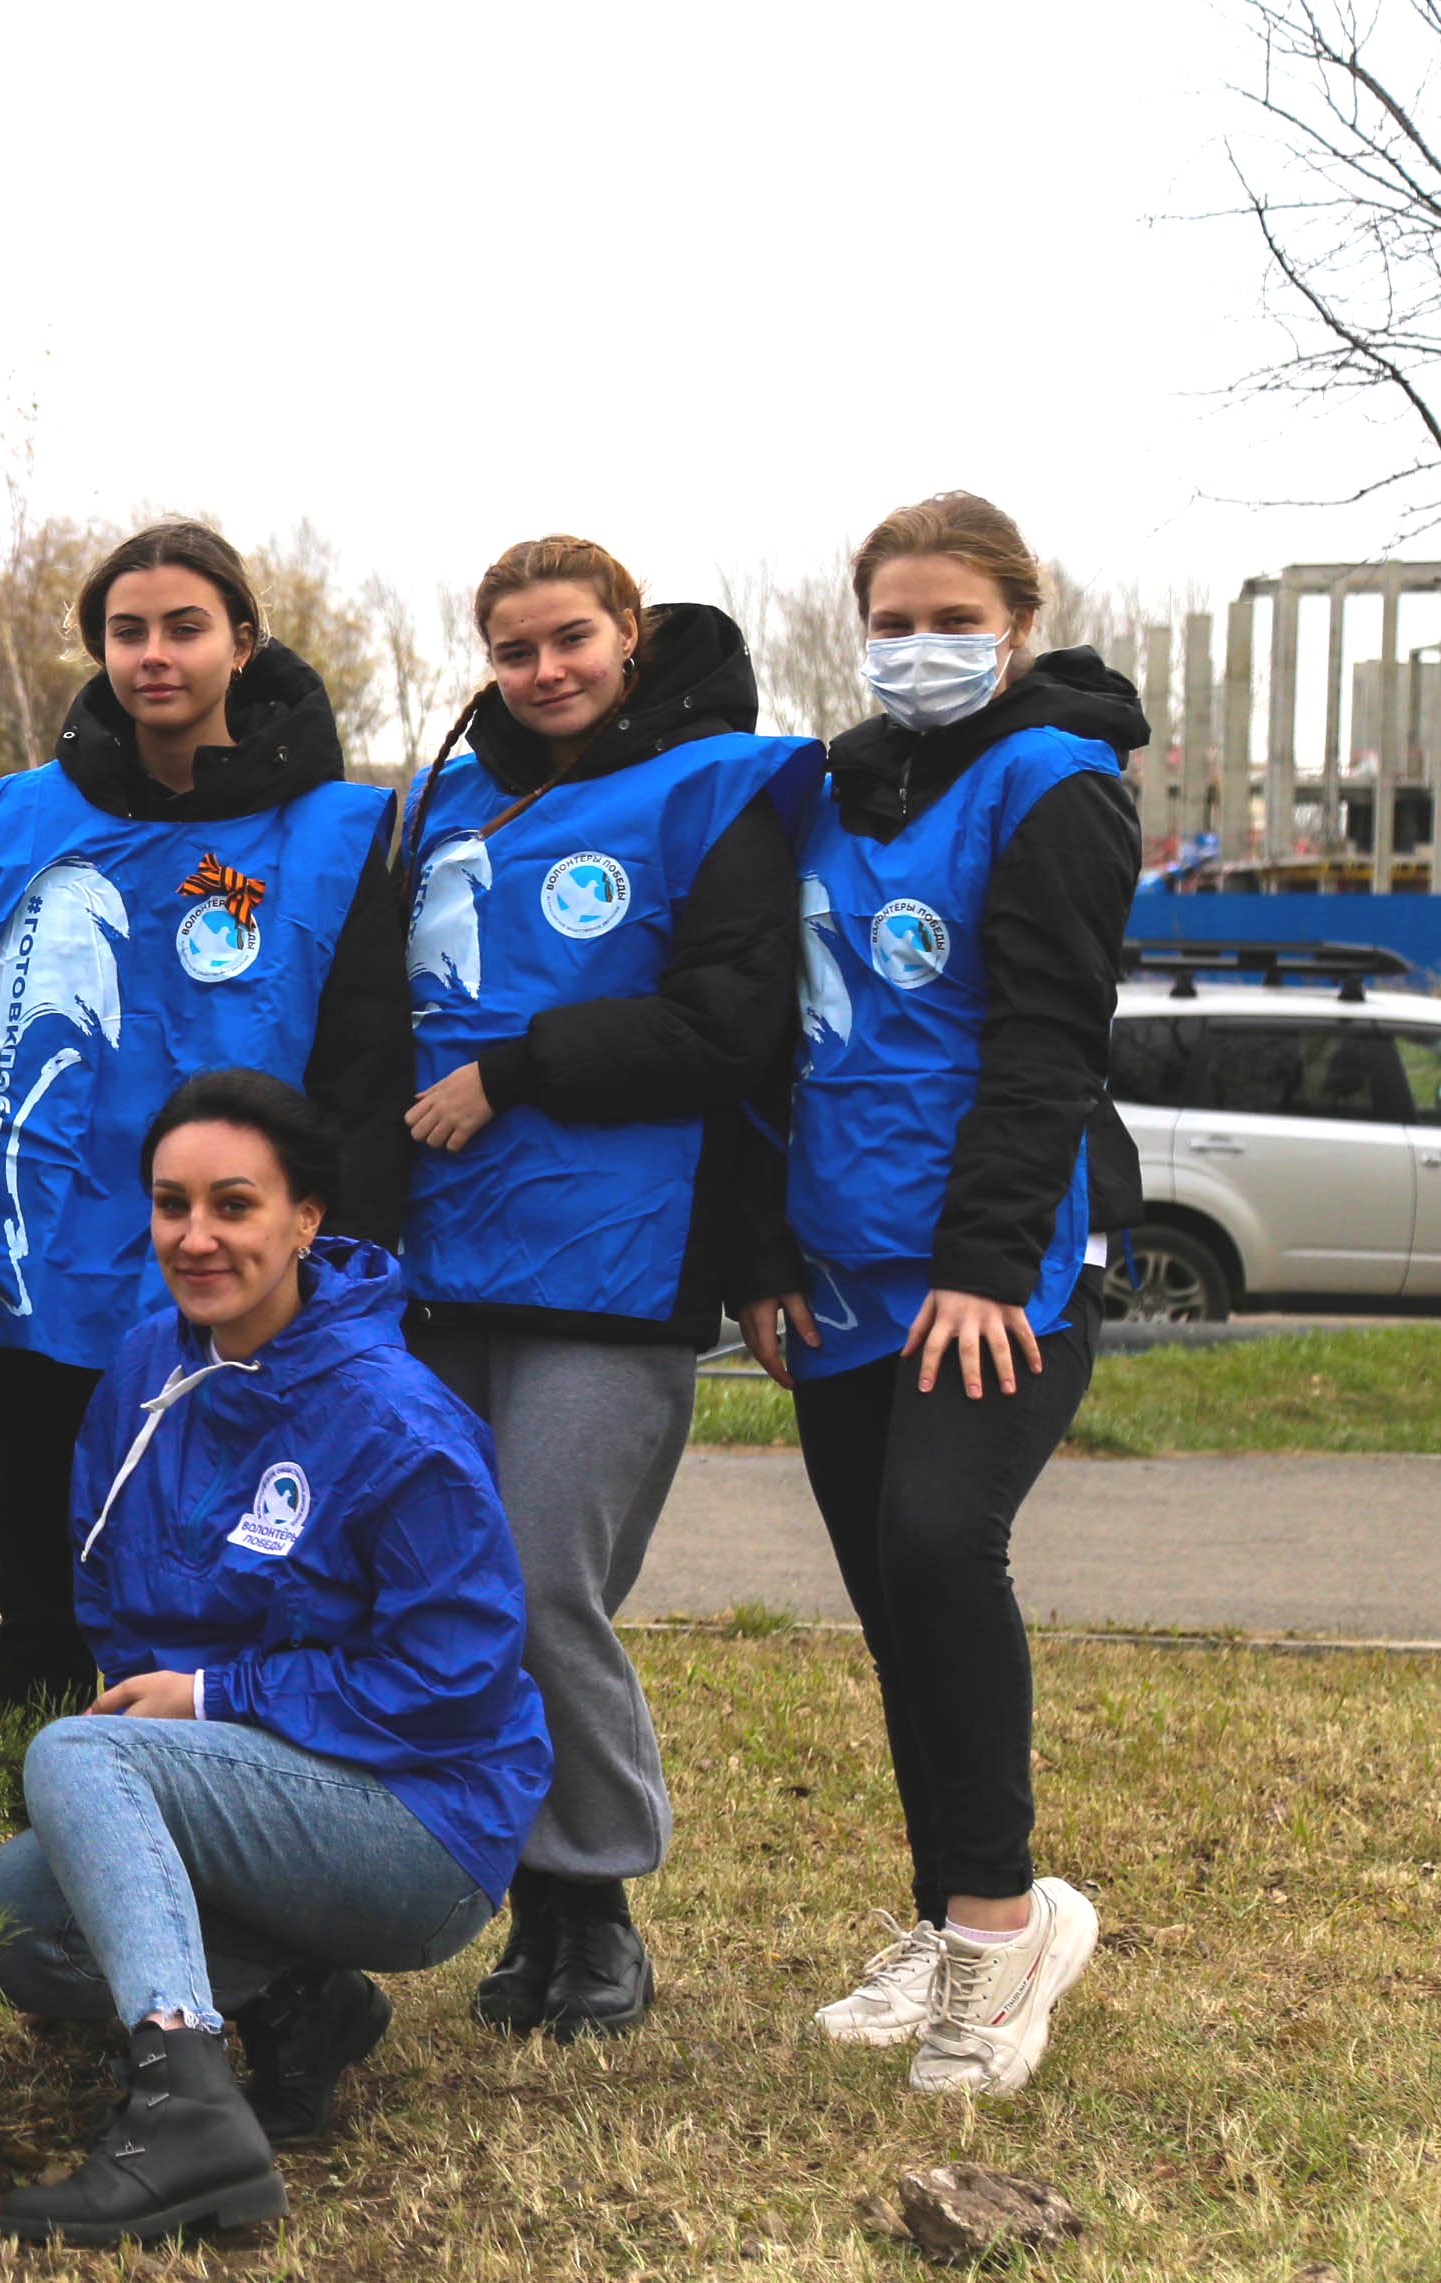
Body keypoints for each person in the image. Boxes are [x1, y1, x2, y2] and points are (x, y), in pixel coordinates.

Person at [0, 1071, 547, 2249]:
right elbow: (105, 1585)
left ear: (305, 1219)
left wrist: (212, 1703)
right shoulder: (142, 1372)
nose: (197, 1236)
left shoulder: (393, 1417)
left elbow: (458, 1681)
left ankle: (184, 2113)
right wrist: (176, 1738)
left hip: (422, 1822)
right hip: (253, 1792)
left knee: (78, 1756)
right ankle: (301, 2007)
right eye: (171, 1204)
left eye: (234, 1205)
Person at [731, 493, 1137, 2097]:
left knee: (934, 1541)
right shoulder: (832, 785)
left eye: (950, 617)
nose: (917, 647)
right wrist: (759, 1251)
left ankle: (1001, 1926)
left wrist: (985, 1267)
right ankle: (945, 1909)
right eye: (890, 620)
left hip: (991, 1274)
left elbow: (1050, 1044)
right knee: (897, 1610)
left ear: (1017, 622)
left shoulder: (1055, 783)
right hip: (837, 1269)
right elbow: (772, 1038)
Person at [396, 538, 820, 2039]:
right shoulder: (440, 802)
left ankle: (599, 1899)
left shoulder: (721, 788)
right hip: (439, 1268)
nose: (544, 672)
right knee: (451, 1587)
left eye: (570, 638)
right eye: (513, 651)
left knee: (540, 1581)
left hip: (614, 1271)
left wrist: (515, 1071)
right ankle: (530, 1906)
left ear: (628, 632)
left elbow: (731, 1032)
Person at [0, 519, 410, 1718]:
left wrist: (354, 1271)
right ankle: (47, 1847)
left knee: (237, 1588)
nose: (154, 655)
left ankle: (214, 1852)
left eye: (184, 627)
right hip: (41, 1283)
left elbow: (362, 1074)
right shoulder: (10, 823)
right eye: (126, 631)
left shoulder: (342, 833)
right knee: (41, 1583)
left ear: (241, 642)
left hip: (238, 1279)